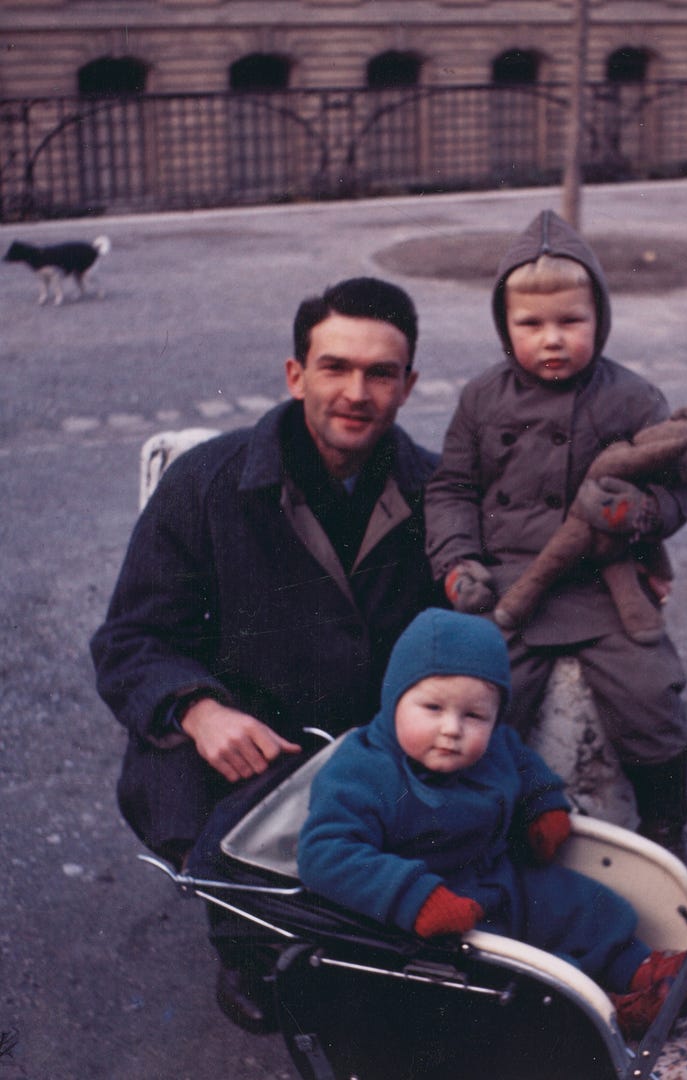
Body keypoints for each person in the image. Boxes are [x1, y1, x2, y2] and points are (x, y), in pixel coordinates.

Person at [90, 276, 439, 1032]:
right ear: (295, 374)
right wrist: (198, 707)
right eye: (334, 367)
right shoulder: (205, 481)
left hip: (375, 740)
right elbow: (129, 639)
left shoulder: (439, 492)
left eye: (381, 373)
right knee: (182, 775)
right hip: (248, 739)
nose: (356, 392)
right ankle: (247, 946)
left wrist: (628, 563)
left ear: (409, 386)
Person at [425, 210, 687, 876]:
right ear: (504, 326)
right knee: (476, 700)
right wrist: (458, 561)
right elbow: (451, 491)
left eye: (571, 322)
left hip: (603, 584)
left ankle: (667, 825)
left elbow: (684, 488)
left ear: (599, 319)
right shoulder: (481, 399)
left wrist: (641, 516)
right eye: (531, 325)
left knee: (651, 693)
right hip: (507, 584)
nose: (552, 340)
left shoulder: (634, 399)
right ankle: (472, 832)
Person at [297, 607, 687, 1039]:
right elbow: (325, 853)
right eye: (432, 707)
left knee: (581, 902)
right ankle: (604, 1012)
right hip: (431, 914)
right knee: (528, 965)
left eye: (474, 716)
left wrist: (543, 804)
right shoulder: (363, 771)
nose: (452, 728)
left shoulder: (495, 745)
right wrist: (412, 897)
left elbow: (522, 764)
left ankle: (639, 967)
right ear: (393, 699)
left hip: (500, 877)